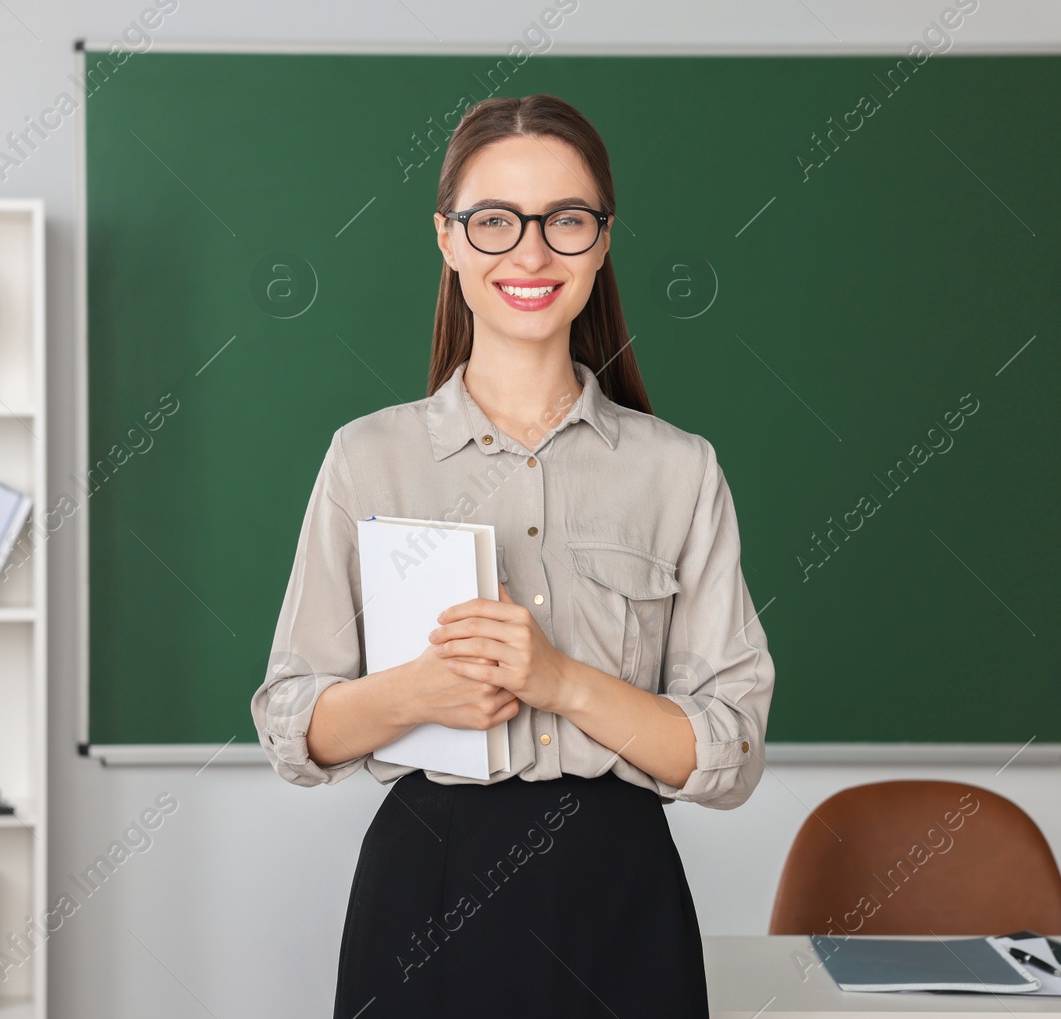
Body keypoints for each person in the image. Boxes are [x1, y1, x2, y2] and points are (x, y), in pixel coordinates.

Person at [251, 93, 775, 1018]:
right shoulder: (366, 457)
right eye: (494, 222)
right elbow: (291, 724)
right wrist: (416, 693)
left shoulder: (679, 470)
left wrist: (562, 681)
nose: (530, 253)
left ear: (602, 241)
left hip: (624, 896)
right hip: (427, 888)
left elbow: (727, 751)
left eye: (565, 221)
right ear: (448, 240)